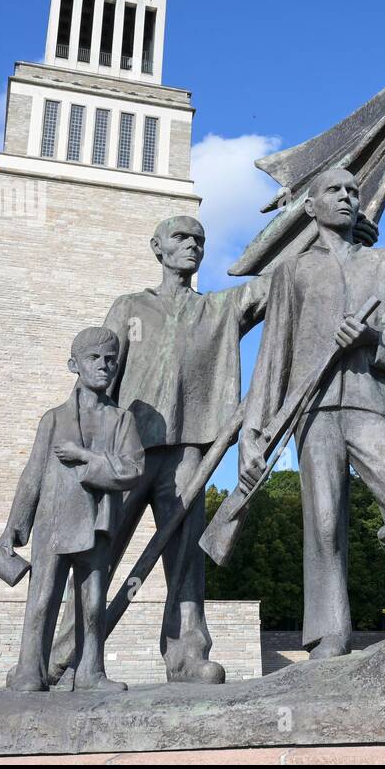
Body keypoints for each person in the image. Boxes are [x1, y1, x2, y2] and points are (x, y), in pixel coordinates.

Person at [51, 215, 268, 685]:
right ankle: (65, 655)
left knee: (185, 559)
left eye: (200, 240)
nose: (192, 246)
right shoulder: (129, 307)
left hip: (189, 450)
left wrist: (315, 231)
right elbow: (98, 381)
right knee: (97, 552)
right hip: (127, 451)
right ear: (158, 248)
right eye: (181, 238)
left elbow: (274, 286)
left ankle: (188, 655)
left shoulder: (216, 309)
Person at [238, 168, 385, 659]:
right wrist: (253, 434)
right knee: (324, 523)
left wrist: (374, 339)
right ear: (311, 206)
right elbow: (272, 358)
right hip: (314, 409)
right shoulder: (293, 271)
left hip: (371, 405)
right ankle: (329, 634)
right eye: (335, 190)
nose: (347, 196)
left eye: (353, 191)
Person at [0, 327, 145, 692]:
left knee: (93, 603)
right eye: (94, 358)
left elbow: (133, 470)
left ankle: (91, 672)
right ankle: (30, 669)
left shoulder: (121, 420)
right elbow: (32, 476)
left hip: (97, 523)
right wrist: (13, 530)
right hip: (53, 521)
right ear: (73, 365)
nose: (104, 366)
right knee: (42, 598)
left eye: (111, 360)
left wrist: (86, 457)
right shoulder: (54, 418)